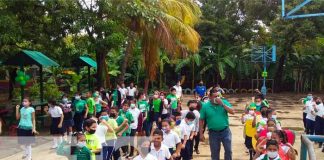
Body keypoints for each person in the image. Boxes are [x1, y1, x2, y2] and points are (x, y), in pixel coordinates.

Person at [199, 88, 235, 160]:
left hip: (225, 131)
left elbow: (232, 112)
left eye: (218, 96)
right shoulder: (205, 106)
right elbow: (201, 120)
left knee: (228, 150)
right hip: (213, 133)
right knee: (215, 153)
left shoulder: (224, 102)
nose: (217, 98)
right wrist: (201, 133)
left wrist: (222, 104)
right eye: (215, 96)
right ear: (210, 97)